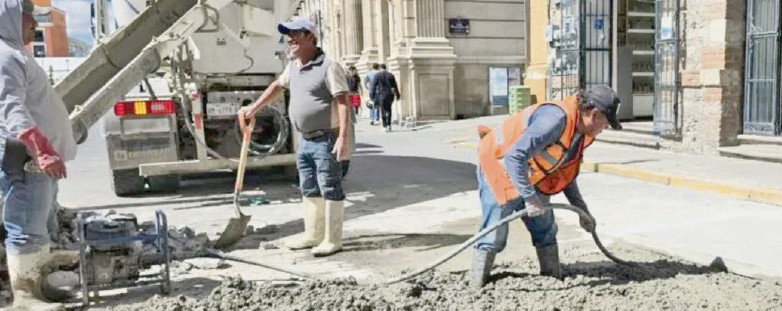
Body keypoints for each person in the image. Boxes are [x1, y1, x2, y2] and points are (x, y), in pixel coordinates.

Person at [470, 85, 622, 286]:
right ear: (593, 114)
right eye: (606, 123)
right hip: (498, 164)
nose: (606, 128)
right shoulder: (555, 120)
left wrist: (582, 211)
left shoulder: (580, 132)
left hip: (531, 173)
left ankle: (552, 277)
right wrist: (529, 197)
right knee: (495, 233)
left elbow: (566, 173)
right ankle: (476, 286)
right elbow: (514, 158)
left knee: (545, 227)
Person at [239, 17, 350, 257]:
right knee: (308, 186)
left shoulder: (329, 67)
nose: (290, 39)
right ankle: (313, 235)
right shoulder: (293, 67)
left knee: (329, 186)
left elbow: (343, 103)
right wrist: (254, 108)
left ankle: (333, 239)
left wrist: (343, 138)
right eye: (288, 35)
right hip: (305, 140)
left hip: (326, 139)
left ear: (310, 37)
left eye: (295, 34)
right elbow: (276, 87)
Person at [1, 0, 78, 308]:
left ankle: (38, 289)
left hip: (33, 158)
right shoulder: (6, 57)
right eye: (28, 17)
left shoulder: (15, 54)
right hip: (26, 158)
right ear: (9, 19)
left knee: (40, 225)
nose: (34, 24)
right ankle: (25, 297)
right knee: (26, 226)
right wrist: (43, 151)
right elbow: (12, 110)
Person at [369, 64, 400, 132]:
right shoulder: (391, 75)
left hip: (382, 94)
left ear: (380, 68)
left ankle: (384, 125)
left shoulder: (377, 75)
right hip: (390, 94)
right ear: (386, 68)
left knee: (383, 109)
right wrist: (398, 94)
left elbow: (373, 86)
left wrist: (372, 96)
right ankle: (389, 125)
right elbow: (395, 85)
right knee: (389, 109)